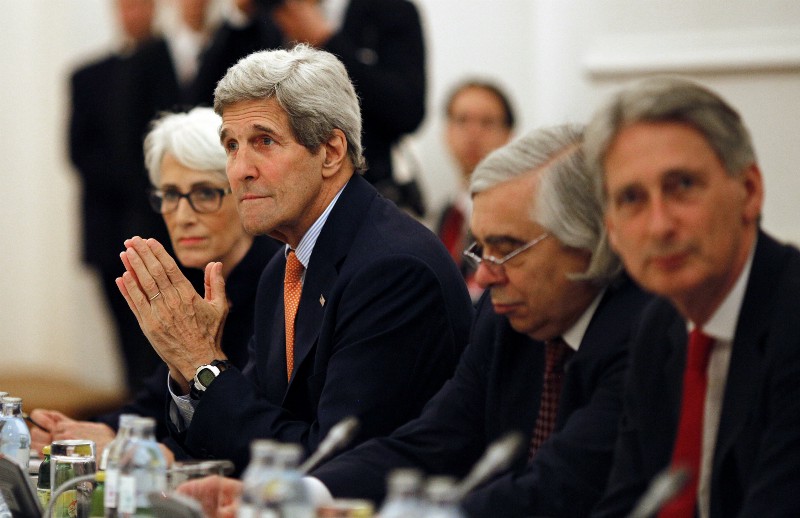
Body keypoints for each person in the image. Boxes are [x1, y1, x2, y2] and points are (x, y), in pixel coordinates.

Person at [178, 125, 653, 517]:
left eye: (507, 249)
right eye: (481, 249)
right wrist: (299, 496)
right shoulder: (505, 316)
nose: (485, 275)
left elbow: (561, 485)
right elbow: (432, 441)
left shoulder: (643, 333)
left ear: (589, 241)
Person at [115, 44, 473, 474]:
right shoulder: (284, 268)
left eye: (263, 141)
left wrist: (202, 363)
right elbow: (253, 424)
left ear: (331, 151)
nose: (239, 169)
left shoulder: (393, 269)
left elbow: (329, 461)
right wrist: (187, 366)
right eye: (231, 145)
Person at [585, 77, 800, 517]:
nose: (659, 225)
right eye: (631, 198)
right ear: (611, 228)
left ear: (750, 191)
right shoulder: (658, 326)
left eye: (681, 185)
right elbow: (627, 503)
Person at [31, 107, 282, 461]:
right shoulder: (194, 277)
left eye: (205, 194)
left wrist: (155, 453)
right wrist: (105, 430)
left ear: (244, 190)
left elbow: (250, 425)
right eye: (170, 195)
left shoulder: (276, 281)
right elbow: (159, 396)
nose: (182, 217)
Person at [69, 0, 175, 393]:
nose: (134, 13)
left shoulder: (172, 65)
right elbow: (80, 153)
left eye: (142, 5)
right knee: (127, 346)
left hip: (163, 227)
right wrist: (137, 184)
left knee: (162, 341)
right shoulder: (88, 75)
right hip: (108, 227)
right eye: (127, 6)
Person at [242, 0, 428, 216]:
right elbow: (214, 99)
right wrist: (238, 16)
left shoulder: (391, 10)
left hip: (363, 192)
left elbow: (408, 110)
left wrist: (328, 42)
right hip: (276, 194)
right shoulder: (268, 14)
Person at [436, 79, 515, 300]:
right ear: (447, 132)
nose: (473, 133)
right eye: (462, 120)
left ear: (509, 135)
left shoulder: (515, 217)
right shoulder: (449, 212)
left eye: (487, 122)